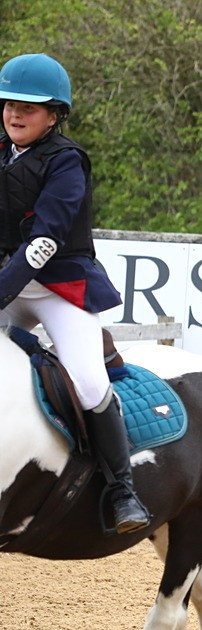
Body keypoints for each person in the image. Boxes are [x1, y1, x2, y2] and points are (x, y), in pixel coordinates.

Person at [0, 53, 150, 534]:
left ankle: (122, 490)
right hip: (6, 279)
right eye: (9, 103)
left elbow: (43, 242)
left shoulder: (66, 162)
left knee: (87, 381)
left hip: (56, 286)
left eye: (30, 106)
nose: (15, 114)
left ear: (54, 115)